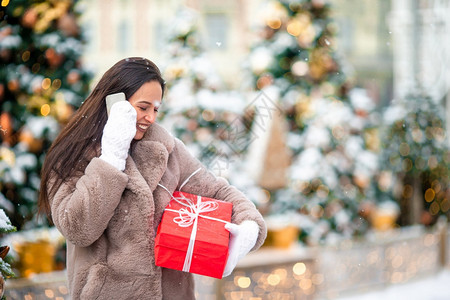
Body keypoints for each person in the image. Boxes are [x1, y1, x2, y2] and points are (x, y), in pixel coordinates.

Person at [38, 57, 267, 299]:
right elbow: (78, 228)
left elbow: (217, 191)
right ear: (114, 102)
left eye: (155, 109)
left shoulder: (167, 148)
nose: (151, 118)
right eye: (143, 107)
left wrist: (248, 223)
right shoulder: (73, 155)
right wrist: (111, 158)